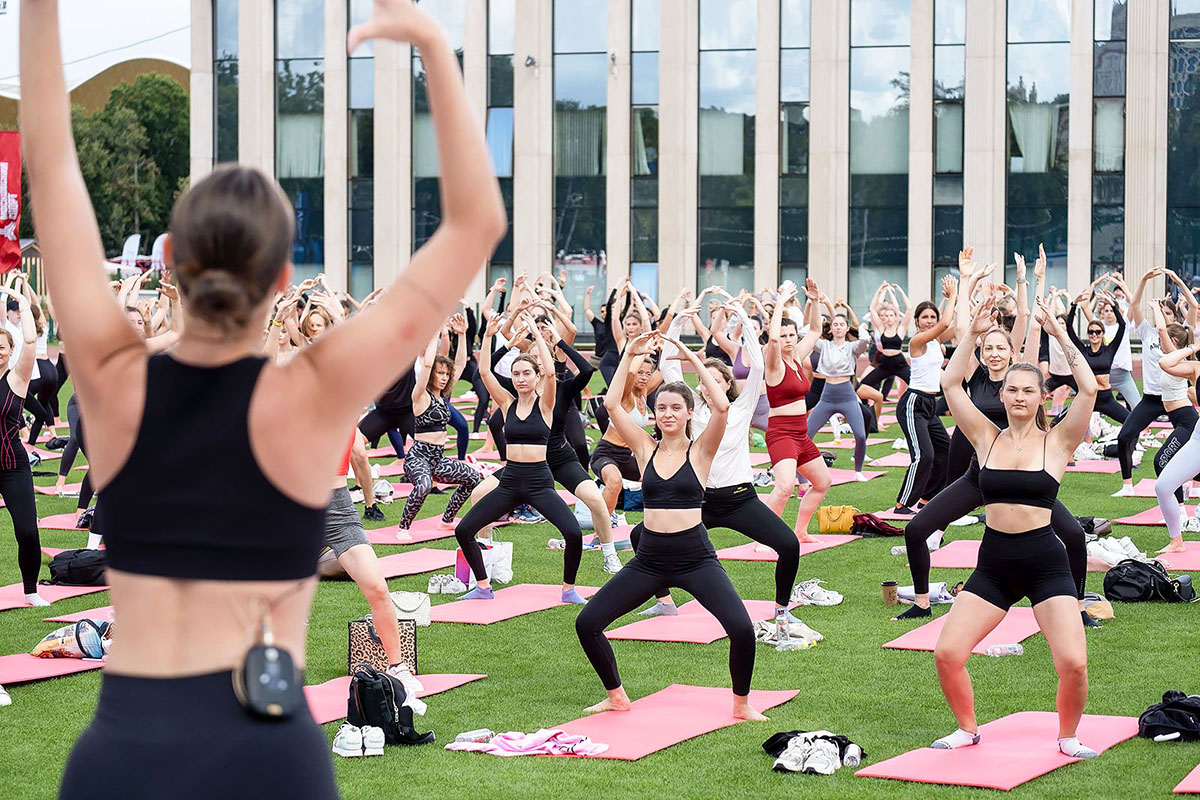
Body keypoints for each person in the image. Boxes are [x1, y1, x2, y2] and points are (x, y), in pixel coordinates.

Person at [24, 0, 507, 795]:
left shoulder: (112, 376)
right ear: (283, 280)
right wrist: (428, 42)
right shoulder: (314, 390)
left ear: (171, 259)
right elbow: (477, 220)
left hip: (126, 751)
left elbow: (49, 159)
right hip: (264, 753)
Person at [932, 295, 1099, 759]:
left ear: (1041, 397)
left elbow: (1087, 391)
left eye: (1029, 390)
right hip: (995, 564)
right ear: (1002, 393)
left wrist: (1062, 334)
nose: (1020, 396)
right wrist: (973, 333)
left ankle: (1068, 736)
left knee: (1074, 663)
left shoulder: (1059, 440)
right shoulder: (985, 436)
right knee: (947, 653)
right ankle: (967, 729)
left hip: (1046, 563)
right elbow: (950, 383)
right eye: (1013, 390)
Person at [575, 331, 768, 721]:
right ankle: (616, 695)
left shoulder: (701, 451)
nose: (667, 414)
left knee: (742, 629)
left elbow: (721, 409)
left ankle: (742, 705)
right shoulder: (645, 448)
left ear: (687, 413)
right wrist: (630, 353)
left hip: (695, 558)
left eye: (675, 408)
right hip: (649, 560)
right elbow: (612, 403)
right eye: (661, 407)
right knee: (588, 622)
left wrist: (690, 358)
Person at [896, 264, 1090, 628]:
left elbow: (1031, 322)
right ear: (983, 352)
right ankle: (922, 602)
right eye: (990, 348)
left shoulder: (1022, 377)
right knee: (915, 530)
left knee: (1075, 536)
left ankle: (1078, 606)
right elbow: (953, 372)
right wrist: (968, 300)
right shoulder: (975, 375)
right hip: (980, 477)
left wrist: (1030, 285)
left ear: (1011, 351)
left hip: (1025, 479)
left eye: (1002, 347)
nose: (996, 353)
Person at [452, 312, 587, 602]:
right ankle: (483, 586)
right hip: (511, 481)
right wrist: (489, 336)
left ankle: (568, 590)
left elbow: (551, 373)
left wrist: (539, 337)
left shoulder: (547, 404)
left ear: (536, 377)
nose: (521, 378)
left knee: (573, 533)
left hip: (539, 480)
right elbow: (484, 374)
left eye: (527, 373)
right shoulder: (507, 403)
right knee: (464, 530)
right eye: (516, 374)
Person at [396, 316, 482, 538]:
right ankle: (403, 527)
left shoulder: (444, 396)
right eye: (440, 373)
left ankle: (446, 521)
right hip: (418, 458)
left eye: (446, 374)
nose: (444, 378)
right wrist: (436, 330)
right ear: (431, 374)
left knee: (473, 477)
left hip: (437, 458)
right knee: (423, 486)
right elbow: (426, 363)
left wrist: (462, 335)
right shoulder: (420, 395)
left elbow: (461, 364)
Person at [763, 279, 829, 542]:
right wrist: (781, 302)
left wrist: (813, 300)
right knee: (784, 487)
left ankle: (800, 531)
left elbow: (814, 329)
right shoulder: (775, 364)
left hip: (801, 436)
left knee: (823, 482)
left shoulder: (797, 358)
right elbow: (773, 339)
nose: (788, 339)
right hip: (781, 435)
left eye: (792, 335)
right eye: (785, 335)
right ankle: (765, 538)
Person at [893, 278, 957, 515]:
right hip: (913, 403)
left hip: (930, 405)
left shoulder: (936, 341)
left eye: (933, 316)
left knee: (945, 451)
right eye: (925, 317)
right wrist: (951, 297)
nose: (929, 321)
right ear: (917, 321)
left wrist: (969, 289)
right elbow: (946, 322)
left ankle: (927, 498)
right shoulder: (918, 341)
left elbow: (957, 325)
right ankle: (903, 504)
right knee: (923, 455)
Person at [0, 282, 44, 606]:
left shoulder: (17, 379)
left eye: (2, 346)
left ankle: (31, 592)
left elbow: (29, 339)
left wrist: (21, 302)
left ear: (9, 351)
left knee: (27, 531)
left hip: (13, 466)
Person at [804, 297, 870, 479]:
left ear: (847, 328)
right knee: (806, 434)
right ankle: (804, 472)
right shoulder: (823, 345)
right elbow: (804, 333)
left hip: (847, 395)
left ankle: (858, 471)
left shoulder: (852, 347)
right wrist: (817, 311)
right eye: (835, 324)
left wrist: (856, 328)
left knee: (861, 435)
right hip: (827, 396)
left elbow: (866, 339)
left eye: (842, 324)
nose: (839, 327)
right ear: (831, 328)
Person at [1153, 306, 1200, 554]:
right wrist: (1192, 348)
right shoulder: (1196, 367)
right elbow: (1164, 361)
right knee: (1162, 486)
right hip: (1198, 437)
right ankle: (1176, 541)